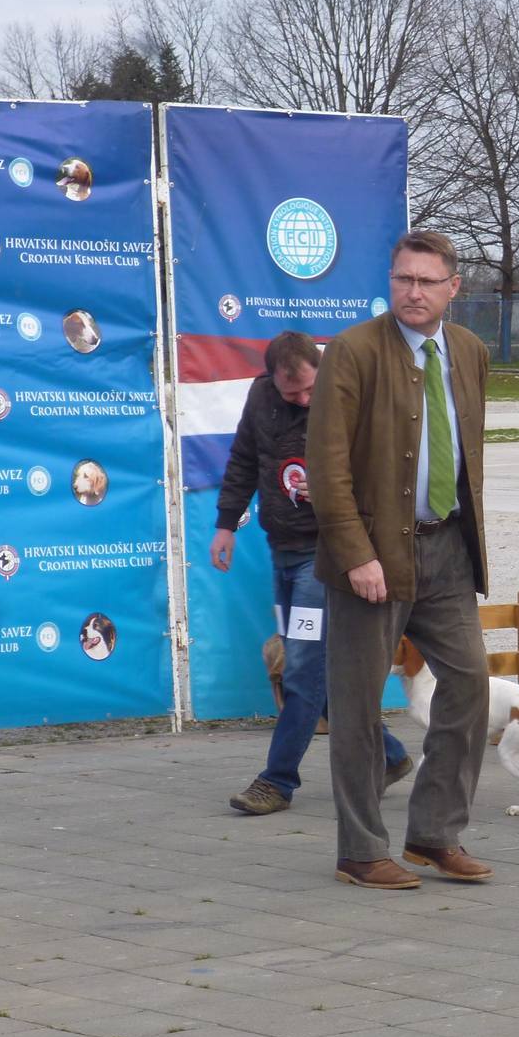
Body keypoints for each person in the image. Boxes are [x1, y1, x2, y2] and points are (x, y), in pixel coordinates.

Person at [307, 230, 492, 891]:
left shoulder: (469, 351)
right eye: (402, 279)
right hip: (374, 555)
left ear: (453, 288)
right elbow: (326, 464)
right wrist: (355, 552)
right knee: (358, 706)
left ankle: (435, 833)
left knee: (469, 684)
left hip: (448, 548)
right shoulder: (354, 351)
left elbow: (466, 453)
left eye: (426, 281)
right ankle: (360, 851)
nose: (413, 292)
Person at [212, 331, 414, 815]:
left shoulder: (346, 395)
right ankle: (390, 754)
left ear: (321, 370)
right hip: (281, 550)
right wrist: (226, 524)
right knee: (312, 669)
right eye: (292, 393)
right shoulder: (260, 397)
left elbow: (381, 475)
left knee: (301, 668)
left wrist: (348, 518)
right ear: (272, 381)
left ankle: (277, 781)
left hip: (323, 558)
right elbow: (243, 461)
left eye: (309, 389)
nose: (303, 400)